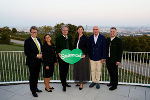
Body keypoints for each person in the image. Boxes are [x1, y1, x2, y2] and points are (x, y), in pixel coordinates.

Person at [24, 26, 42, 97]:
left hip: (38, 62)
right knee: (32, 77)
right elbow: (27, 52)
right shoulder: (27, 41)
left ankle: (36, 88)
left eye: (35, 32)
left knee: (36, 76)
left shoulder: (38, 39)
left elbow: (40, 48)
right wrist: (37, 55)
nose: (34, 33)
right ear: (30, 32)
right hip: (31, 62)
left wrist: (42, 53)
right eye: (33, 32)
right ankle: (33, 91)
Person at [56, 25, 73, 92]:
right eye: (64, 30)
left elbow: (71, 46)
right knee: (62, 71)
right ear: (62, 31)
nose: (65, 31)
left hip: (68, 57)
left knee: (66, 71)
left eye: (66, 30)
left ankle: (65, 82)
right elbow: (57, 48)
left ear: (67, 31)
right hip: (62, 58)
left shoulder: (70, 37)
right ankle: (63, 85)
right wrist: (58, 53)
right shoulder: (58, 38)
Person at [73, 26, 90, 90]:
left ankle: (81, 83)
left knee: (82, 70)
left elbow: (87, 47)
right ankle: (78, 81)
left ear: (83, 30)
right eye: (79, 29)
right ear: (77, 30)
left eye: (81, 29)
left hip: (82, 56)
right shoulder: (76, 38)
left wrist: (85, 54)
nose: (80, 30)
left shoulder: (85, 38)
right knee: (77, 69)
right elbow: (75, 46)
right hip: (76, 56)